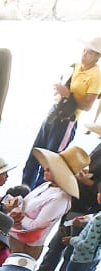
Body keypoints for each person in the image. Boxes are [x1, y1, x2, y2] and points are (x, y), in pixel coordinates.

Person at [23, 38, 101, 188]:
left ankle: (38, 191)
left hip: (67, 120)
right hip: (54, 113)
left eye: (89, 53)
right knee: (34, 155)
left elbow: (87, 106)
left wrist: (68, 95)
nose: (84, 54)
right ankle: (23, 189)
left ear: (97, 56)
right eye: (84, 50)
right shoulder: (74, 67)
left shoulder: (96, 75)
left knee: (50, 164)